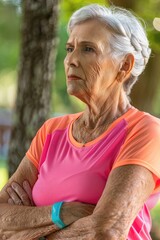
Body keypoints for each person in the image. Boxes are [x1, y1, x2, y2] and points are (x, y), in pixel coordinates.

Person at [0, 3, 160, 240]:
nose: (71, 60)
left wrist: (26, 232)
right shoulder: (52, 131)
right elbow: (2, 217)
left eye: (87, 49)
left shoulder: (146, 131)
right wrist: (60, 213)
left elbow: (106, 231)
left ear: (124, 65)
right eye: (69, 48)